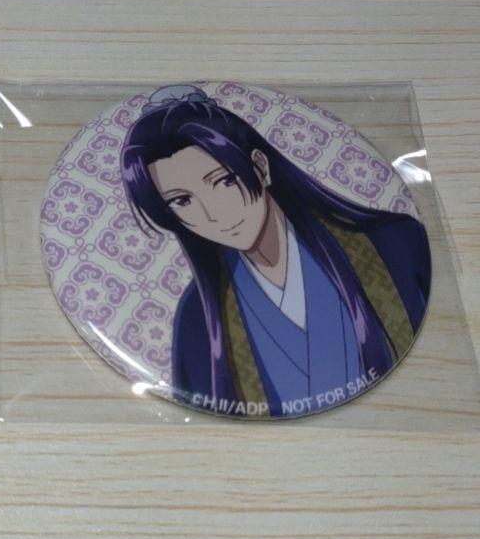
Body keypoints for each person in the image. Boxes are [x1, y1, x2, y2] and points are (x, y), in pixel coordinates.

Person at [120, 85, 430, 417]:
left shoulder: (394, 243)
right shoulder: (196, 319)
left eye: (224, 181)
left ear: (260, 167)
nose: (214, 214)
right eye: (182, 200)